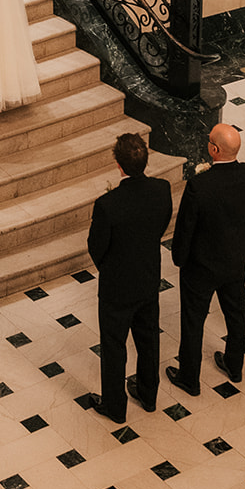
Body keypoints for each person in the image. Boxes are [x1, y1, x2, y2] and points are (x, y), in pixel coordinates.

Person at [167, 123, 245, 395]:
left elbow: (185, 227)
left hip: (201, 265)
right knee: (236, 313)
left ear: (214, 149)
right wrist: (243, 243)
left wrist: (180, 258)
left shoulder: (199, 185)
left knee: (193, 320)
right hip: (234, 259)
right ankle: (235, 365)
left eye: (209, 140)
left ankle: (190, 377)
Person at [87, 132, 173, 423]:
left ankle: (115, 406)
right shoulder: (162, 190)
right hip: (148, 276)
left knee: (114, 345)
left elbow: (96, 247)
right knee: (148, 337)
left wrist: (110, 268)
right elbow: (161, 226)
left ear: (118, 164)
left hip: (117, 284)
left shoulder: (107, 204)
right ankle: (148, 395)